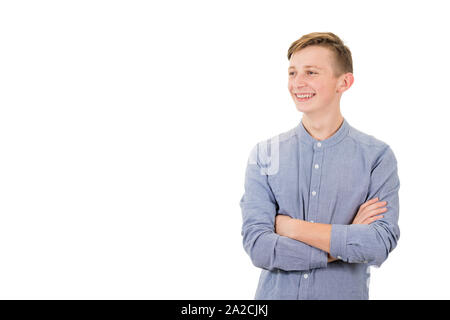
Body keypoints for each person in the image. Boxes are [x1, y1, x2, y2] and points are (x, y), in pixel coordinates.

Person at [239, 32, 400, 300]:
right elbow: (258, 246)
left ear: (344, 82)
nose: (297, 83)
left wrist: (291, 228)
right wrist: (343, 244)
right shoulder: (265, 154)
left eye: (311, 72)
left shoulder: (377, 157)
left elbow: (378, 244)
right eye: (292, 73)